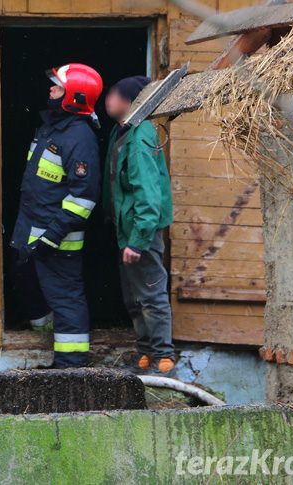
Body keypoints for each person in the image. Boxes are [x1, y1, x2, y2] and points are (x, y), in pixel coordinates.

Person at [11, 63, 103, 368]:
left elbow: (83, 198)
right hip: (33, 233)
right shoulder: (53, 128)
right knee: (23, 280)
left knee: (66, 299)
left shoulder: (79, 137)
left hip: (57, 239)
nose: (50, 89)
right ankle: (46, 337)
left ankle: (71, 366)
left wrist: (52, 236)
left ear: (74, 96)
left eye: (58, 87)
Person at [103, 76, 175, 375]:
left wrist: (139, 239)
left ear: (129, 102)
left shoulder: (141, 135)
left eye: (113, 94)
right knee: (134, 297)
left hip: (139, 232)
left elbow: (147, 192)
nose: (107, 99)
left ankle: (164, 359)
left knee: (151, 294)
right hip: (128, 230)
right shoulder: (122, 132)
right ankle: (146, 355)